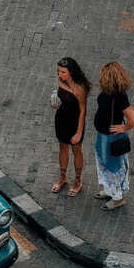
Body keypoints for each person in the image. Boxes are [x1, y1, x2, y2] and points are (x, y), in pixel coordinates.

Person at [93, 61, 134, 210]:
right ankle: (109, 190)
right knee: (104, 164)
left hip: (110, 138)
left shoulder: (120, 97)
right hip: (103, 135)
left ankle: (118, 198)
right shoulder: (108, 92)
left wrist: (124, 128)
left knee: (112, 168)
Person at [50, 57, 91, 196]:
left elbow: (82, 111)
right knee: (62, 147)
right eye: (58, 71)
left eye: (63, 72)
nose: (59, 75)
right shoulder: (60, 80)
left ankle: (78, 180)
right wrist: (55, 101)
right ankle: (62, 177)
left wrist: (79, 132)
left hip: (74, 121)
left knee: (76, 149)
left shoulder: (80, 88)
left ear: (71, 72)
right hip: (61, 118)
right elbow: (60, 95)